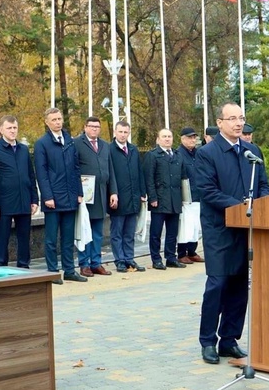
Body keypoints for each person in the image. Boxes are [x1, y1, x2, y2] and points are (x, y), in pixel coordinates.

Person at [193, 102, 269, 364]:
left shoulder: (252, 151)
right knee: (217, 285)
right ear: (220, 122)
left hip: (247, 230)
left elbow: (263, 185)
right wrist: (239, 206)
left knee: (240, 286)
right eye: (232, 118)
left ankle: (229, 339)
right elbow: (207, 191)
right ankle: (207, 342)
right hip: (220, 230)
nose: (238, 123)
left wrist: (264, 205)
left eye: (241, 118)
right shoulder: (207, 153)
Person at [34, 108, 86, 283]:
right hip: (53, 199)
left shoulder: (70, 140)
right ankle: (52, 271)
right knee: (51, 239)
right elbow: (41, 173)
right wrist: (47, 196)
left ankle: (69, 270)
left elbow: (76, 168)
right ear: (47, 123)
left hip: (70, 197)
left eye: (59, 118)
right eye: (54, 119)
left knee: (68, 237)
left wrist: (79, 192)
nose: (58, 122)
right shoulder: (42, 143)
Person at [0, 115, 39, 268]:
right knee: (3, 239)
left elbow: (30, 175)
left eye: (15, 127)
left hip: (24, 201)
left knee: (24, 238)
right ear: (1, 129)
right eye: (9, 128)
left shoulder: (23, 149)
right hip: (4, 204)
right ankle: (2, 269)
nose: (12, 131)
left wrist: (34, 200)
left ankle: (24, 266)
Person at [73, 116, 118, 277]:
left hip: (101, 193)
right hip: (85, 195)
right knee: (85, 230)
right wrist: (77, 192)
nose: (94, 129)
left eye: (97, 127)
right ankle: (84, 264)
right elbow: (74, 168)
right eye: (91, 126)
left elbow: (110, 170)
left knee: (98, 232)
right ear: (85, 127)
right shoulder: (77, 144)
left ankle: (96, 263)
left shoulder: (105, 145)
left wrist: (113, 192)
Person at [142, 128, 185, 270]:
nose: (167, 139)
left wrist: (184, 198)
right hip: (159, 200)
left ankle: (171, 257)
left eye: (169, 136)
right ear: (158, 139)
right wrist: (152, 198)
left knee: (173, 232)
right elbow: (149, 179)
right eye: (164, 136)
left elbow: (183, 179)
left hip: (175, 200)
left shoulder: (178, 156)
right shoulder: (152, 155)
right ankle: (156, 259)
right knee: (156, 232)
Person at [108, 121, 147, 272]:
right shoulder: (110, 150)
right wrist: (113, 193)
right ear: (115, 132)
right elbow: (110, 175)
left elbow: (139, 172)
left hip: (133, 197)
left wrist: (142, 193)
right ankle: (120, 260)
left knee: (129, 232)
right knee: (117, 231)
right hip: (118, 198)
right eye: (120, 132)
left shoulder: (133, 149)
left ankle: (129, 258)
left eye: (126, 132)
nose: (123, 135)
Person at [176, 126, 204, 265]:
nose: (193, 140)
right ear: (182, 139)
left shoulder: (198, 153)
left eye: (194, 137)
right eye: (190, 137)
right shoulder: (178, 154)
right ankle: (181, 253)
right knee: (185, 226)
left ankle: (192, 251)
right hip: (186, 196)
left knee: (195, 226)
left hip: (198, 194)